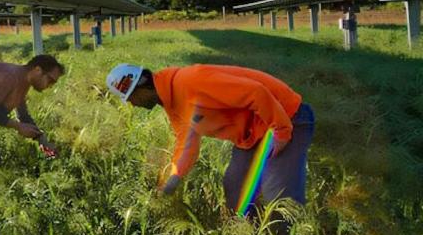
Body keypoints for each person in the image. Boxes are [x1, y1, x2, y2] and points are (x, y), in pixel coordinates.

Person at [105, 63, 314, 216]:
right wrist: (173, 179)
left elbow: (256, 92)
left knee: (279, 198)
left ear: (142, 86)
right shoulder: (171, 103)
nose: (132, 105)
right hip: (252, 135)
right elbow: (186, 144)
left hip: (287, 117)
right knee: (235, 189)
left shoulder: (192, 81)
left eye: (131, 98)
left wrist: (282, 131)